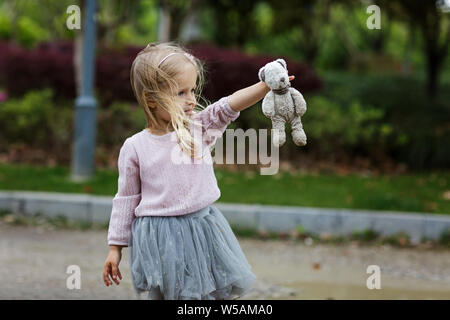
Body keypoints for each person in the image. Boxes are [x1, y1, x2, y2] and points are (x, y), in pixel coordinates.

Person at [102, 41, 294, 300]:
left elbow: (229, 105)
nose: (192, 99)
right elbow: (125, 199)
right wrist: (116, 247)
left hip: (203, 229)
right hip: (161, 238)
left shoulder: (198, 128)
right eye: (181, 92)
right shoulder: (135, 147)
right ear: (151, 99)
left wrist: (265, 85)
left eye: (192, 90)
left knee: (208, 295)